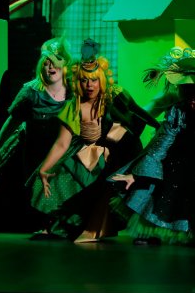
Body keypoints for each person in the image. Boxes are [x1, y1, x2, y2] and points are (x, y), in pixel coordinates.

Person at [111, 51, 195, 249]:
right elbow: (162, 142)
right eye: (187, 90)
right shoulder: (177, 110)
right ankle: (159, 230)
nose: (192, 96)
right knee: (165, 192)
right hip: (180, 164)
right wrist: (138, 174)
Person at [29, 39, 141, 242]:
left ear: (101, 81)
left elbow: (129, 132)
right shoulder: (72, 107)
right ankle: (56, 225)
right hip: (83, 152)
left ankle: (85, 226)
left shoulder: (113, 102)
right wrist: (44, 168)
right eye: (84, 80)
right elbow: (62, 143)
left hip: (111, 155)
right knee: (58, 177)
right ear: (77, 82)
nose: (89, 85)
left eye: (94, 80)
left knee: (94, 184)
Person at [0, 37, 73, 232]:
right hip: (31, 147)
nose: (51, 66)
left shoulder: (73, 91)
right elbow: (11, 122)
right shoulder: (30, 91)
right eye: (46, 61)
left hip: (61, 147)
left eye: (56, 60)